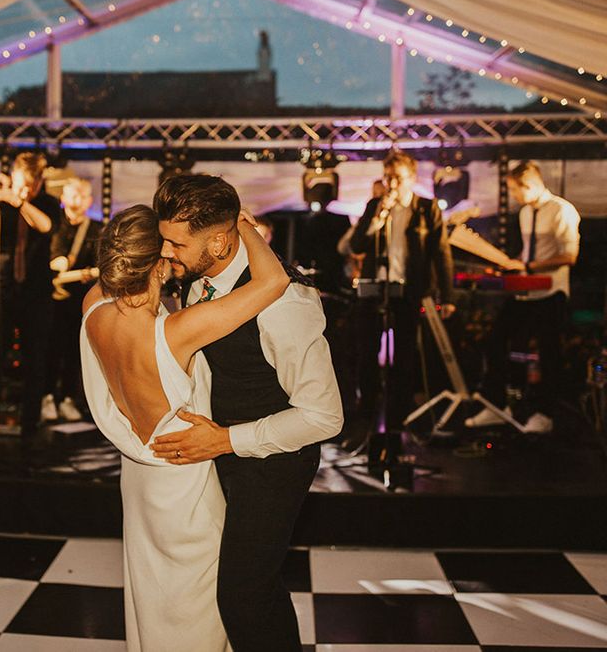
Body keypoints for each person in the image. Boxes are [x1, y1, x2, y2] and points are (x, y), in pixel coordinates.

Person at [80, 204, 289, 652]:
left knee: (154, 602)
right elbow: (274, 281)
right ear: (158, 263)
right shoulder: (176, 332)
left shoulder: (93, 305)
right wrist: (240, 224)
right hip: (185, 485)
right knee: (197, 615)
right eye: (169, 247)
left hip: (140, 480)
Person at [150, 175, 343, 652]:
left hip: (274, 462)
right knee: (237, 586)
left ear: (219, 240)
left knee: (244, 592)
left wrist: (225, 440)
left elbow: (324, 416)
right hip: (223, 454)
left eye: (177, 242)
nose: (167, 251)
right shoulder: (199, 283)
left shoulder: (286, 303)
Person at [465, 159, 580, 432]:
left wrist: (526, 266)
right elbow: (529, 254)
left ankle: (545, 414)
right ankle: (496, 405)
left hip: (551, 291)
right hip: (526, 291)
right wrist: (509, 266)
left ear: (529, 185)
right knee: (497, 341)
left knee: (547, 351)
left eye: (515, 190)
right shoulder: (526, 213)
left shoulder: (562, 210)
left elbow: (569, 256)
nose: (514, 196)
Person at [348, 152, 454, 429]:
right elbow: (357, 245)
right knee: (367, 351)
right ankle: (367, 411)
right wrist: (377, 219)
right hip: (376, 288)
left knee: (403, 355)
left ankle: (399, 414)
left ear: (411, 178)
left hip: (408, 290)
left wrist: (447, 295)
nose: (392, 183)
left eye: (398, 178)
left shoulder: (426, 209)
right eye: (388, 177)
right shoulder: (375, 206)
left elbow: (440, 254)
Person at [0, 152, 60, 441]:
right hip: (1, 287)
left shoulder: (47, 203)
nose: (28, 190)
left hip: (35, 292)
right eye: (24, 184)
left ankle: (29, 427)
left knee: (35, 360)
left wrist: (21, 202)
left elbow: (46, 226)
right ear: (14, 177)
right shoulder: (1, 203)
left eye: (33, 185)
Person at [42, 178, 101, 422]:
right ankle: (45, 397)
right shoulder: (53, 224)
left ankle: (68, 397)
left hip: (80, 299)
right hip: (50, 299)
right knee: (48, 348)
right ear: (63, 198)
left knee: (74, 349)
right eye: (71, 194)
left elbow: (101, 266)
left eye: (81, 195)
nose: (76, 199)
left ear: (88, 201)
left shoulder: (95, 229)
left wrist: (86, 274)